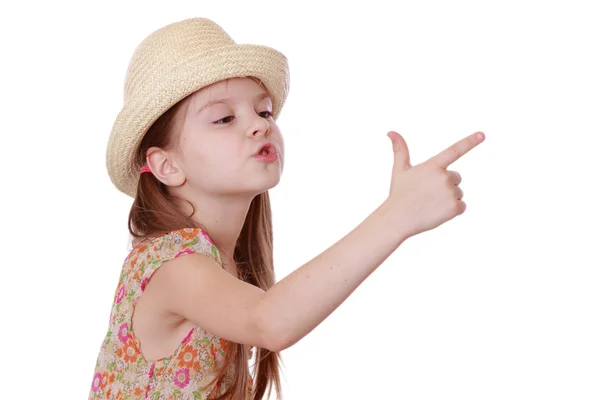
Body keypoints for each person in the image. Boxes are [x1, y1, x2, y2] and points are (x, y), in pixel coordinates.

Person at [89, 17, 485, 400]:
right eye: (224, 118)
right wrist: (399, 215)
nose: (260, 125)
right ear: (167, 166)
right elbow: (270, 321)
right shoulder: (171, 264)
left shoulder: (216, 263)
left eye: (263, 111)